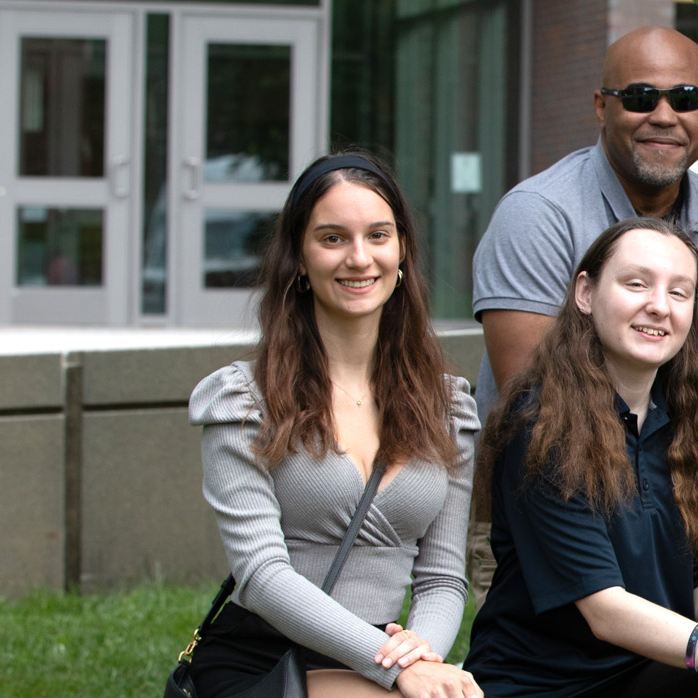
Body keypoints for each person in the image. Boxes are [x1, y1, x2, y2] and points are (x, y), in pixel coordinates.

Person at [467, 26, 698, 600]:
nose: (664, 115)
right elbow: (534, 403)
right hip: (558, 484)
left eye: (685, 98)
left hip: (694, 468)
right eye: (641, 97)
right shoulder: (539, 214)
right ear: (601, 106)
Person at [462, 218, 698, 698]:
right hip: (545, 685)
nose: (659, 306)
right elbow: (605, 610)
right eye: (636, 283)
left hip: (650, 670)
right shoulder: (541, 424)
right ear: (586, 293)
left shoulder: (695, 422)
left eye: (679, 292)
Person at [187, 152, 482, 698]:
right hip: (267, 661)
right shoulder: (244, 401)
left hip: (386, 655)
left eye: (377, 235)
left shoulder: (447, 409)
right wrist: (400, 671)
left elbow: (442, 577)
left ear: (401, 255)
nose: (359, 257)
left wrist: (418, 659)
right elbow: (263, 576)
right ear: (298, 259)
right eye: (332, 238)